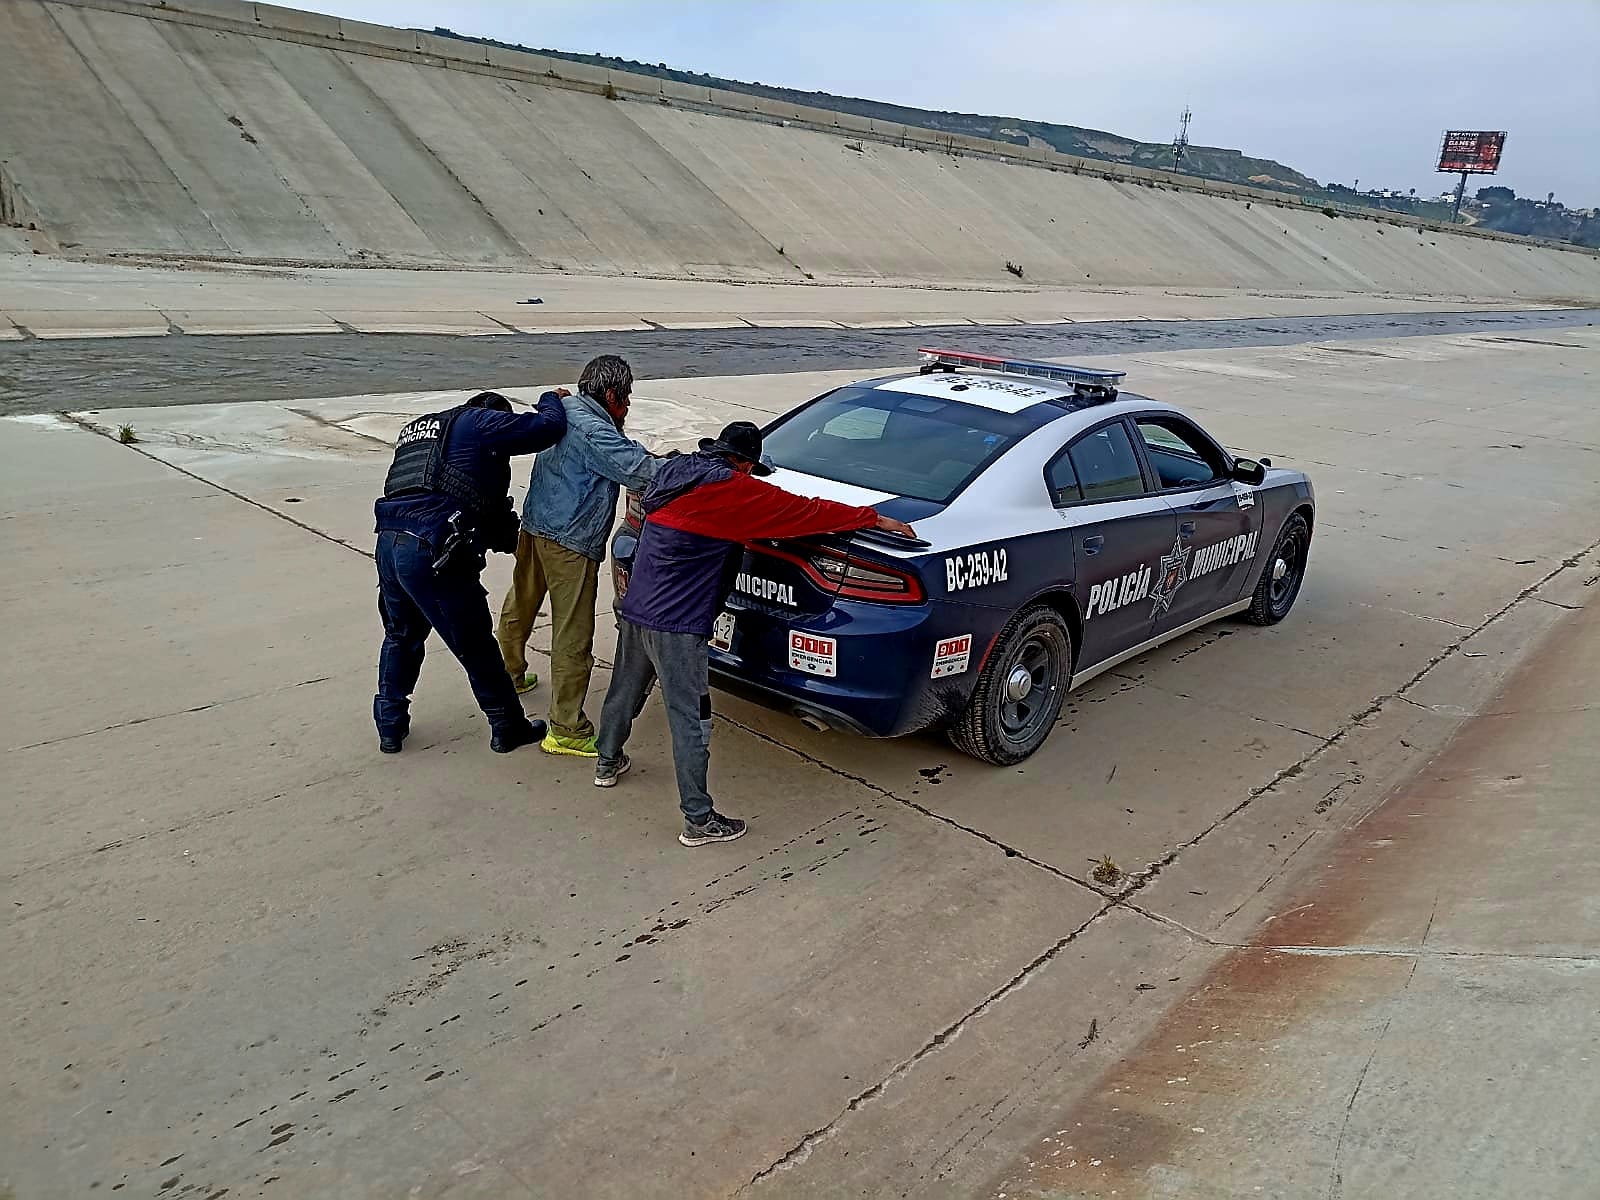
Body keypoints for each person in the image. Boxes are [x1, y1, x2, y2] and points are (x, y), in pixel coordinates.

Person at [594, 421, 916, 847]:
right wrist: (874, 517)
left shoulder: (678, 472)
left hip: (638, 606)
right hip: (677, 625)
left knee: (624, 689)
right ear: (744, 463)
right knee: (691, 720)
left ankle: (607, 762)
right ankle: (699, 819)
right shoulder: (731, 489)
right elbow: (807, 512)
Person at [373, 390, 567, 755]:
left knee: (401, 635)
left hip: (390, 543)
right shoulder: (481, 421)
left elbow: (469, 500)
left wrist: (511, 539)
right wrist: (550, 398)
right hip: (432, 552)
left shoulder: (427, 432)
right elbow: (548, 427)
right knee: (476, 645)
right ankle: (507, 726)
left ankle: (390, 726)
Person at [497, 355, 659, 758]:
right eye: (626, 399)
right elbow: (640, 471)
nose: (627, 407)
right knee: (572, 634)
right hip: (569, 541)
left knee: (521, 604)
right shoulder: (594, 431)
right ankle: (566, 728)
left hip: (534, 527)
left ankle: (510, 675)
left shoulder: (564, 406)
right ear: (610, 394)